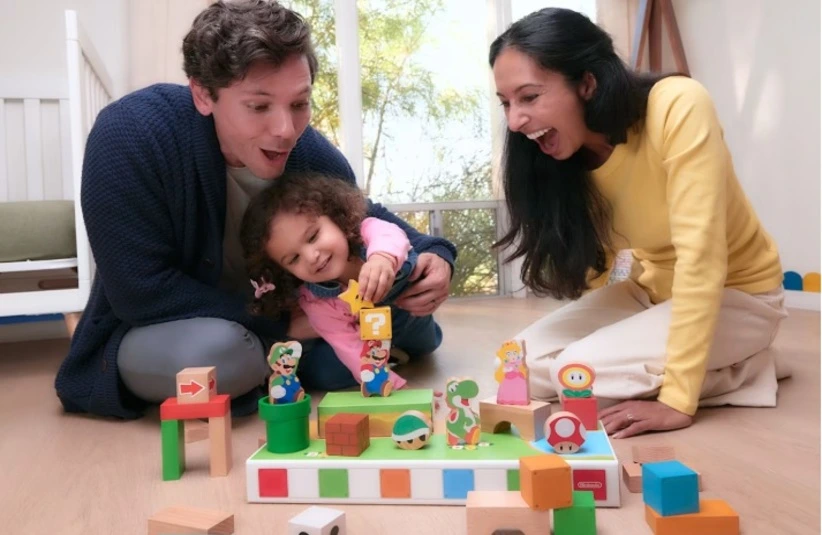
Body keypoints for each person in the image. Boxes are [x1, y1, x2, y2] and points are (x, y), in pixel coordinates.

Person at [54, 0, 456, 419]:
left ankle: (294, 360)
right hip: (175, 326)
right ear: (203, 94)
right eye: (259, 106)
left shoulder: (310, 153)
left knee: (384, 313)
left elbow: (363, 218)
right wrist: (280, 328)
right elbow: (141, 292)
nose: (285, 130)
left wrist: (436, 255)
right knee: (225, 354)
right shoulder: (131, 135)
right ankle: (284, 356)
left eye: (299, 104)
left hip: (283, 320)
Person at [489, 8, 788, 438]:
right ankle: (693, 360)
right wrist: (602, 329)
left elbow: (701, 257)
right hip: (649, 293)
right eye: (506, 103)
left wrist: (677, 400)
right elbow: (600, 261)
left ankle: (741, 369)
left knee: (578, 374)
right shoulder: (564, 159)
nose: (515, 121)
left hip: (739, 296)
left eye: (529, 97)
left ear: (587, 84)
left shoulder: (678, 105)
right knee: (512, 364)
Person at [240, 171, 450, 395]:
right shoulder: (315, 302)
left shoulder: (368, 230)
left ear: (335, 216)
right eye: (294, 259)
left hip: (408, 316)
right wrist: (394, 386)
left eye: (313, 237)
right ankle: (388, 353)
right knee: (326, 373)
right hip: (363, 338)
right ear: (285, 271)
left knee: (427, 343)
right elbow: (349, 348)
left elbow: (392, 236)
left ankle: (397, 347)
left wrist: (382, 259)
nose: (312, 256)